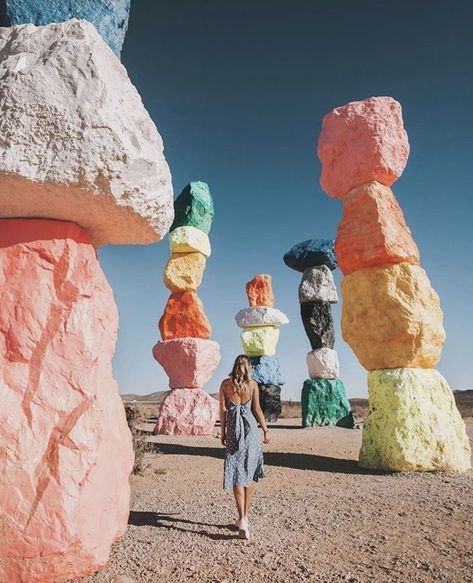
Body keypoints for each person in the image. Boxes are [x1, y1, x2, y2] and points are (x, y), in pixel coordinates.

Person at [219, 354, 269, 540]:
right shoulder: (253, 385)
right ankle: (244, 518)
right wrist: (265, 430)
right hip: (251, 433)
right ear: (248, 368)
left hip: (233, 432)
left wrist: (223, 432)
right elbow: (257, 410)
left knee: (236, 474)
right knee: (250, 473)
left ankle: (242, 518)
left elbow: (223, 411)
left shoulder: (225, 384)